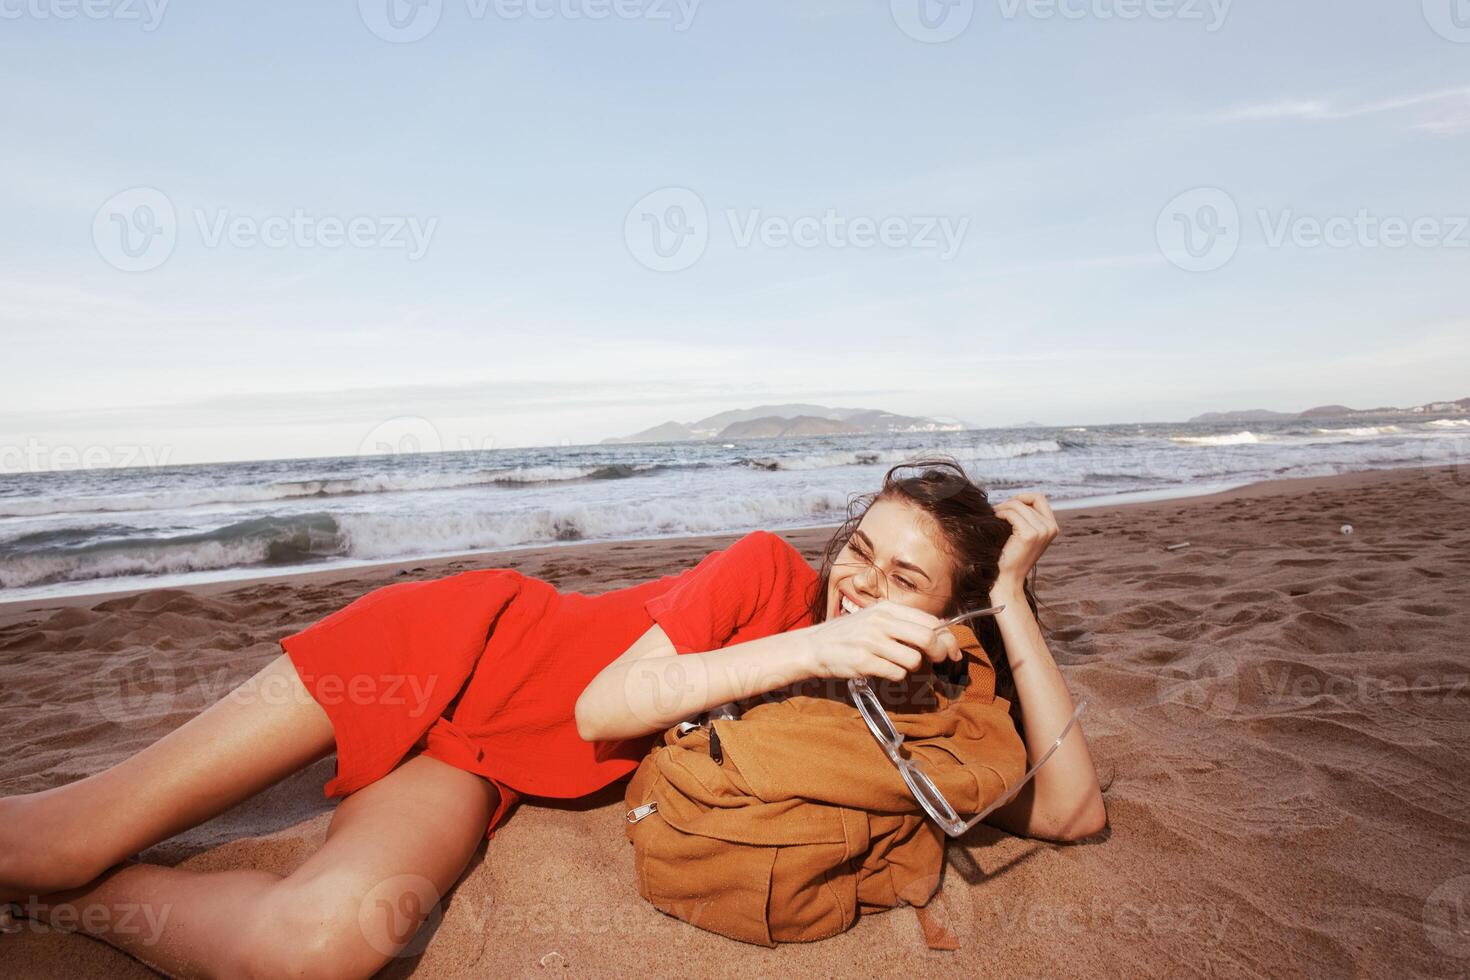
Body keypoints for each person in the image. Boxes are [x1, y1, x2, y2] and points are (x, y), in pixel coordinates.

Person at [0, 457, 1103, 977]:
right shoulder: (768, 577)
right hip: (456, 646)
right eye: (857, 545)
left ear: (949, 609)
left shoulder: (916, 711)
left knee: (320, 945)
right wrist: (811, 642)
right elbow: (604, 701)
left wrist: (1008, 593)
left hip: (496, 761)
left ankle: (68, 907)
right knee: (61, 829)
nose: (855, 582)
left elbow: (1069, 812)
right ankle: (58, 867)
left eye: (901, 575)